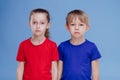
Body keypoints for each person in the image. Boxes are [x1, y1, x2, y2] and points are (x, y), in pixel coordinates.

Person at [58, 9, 101, 80]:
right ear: (67, 27)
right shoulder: (62, 47)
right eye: (73, 24)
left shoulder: (91, 47)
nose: (77, 28)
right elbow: (58, 72)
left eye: (81, 25)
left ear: (87, 27)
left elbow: (95, 73)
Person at [16, 8, 59, 80]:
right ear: (29, 24)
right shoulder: (23, 45)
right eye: (34, 22)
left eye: (42, 23)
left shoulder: (52, 45)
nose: (38, 26)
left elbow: (54, 69)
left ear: (48, 25)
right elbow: (20, 68)